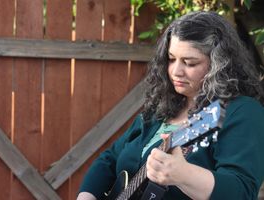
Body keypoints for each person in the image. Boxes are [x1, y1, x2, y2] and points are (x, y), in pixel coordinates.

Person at [77, 11, 264, 200]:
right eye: (171, 59)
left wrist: (184, 175)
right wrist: (87, 195)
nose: (176, 71)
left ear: (219, 64)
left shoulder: (241, 112)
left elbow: (242, 190)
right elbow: (110, 158)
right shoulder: (159, 111)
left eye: (190, 63)